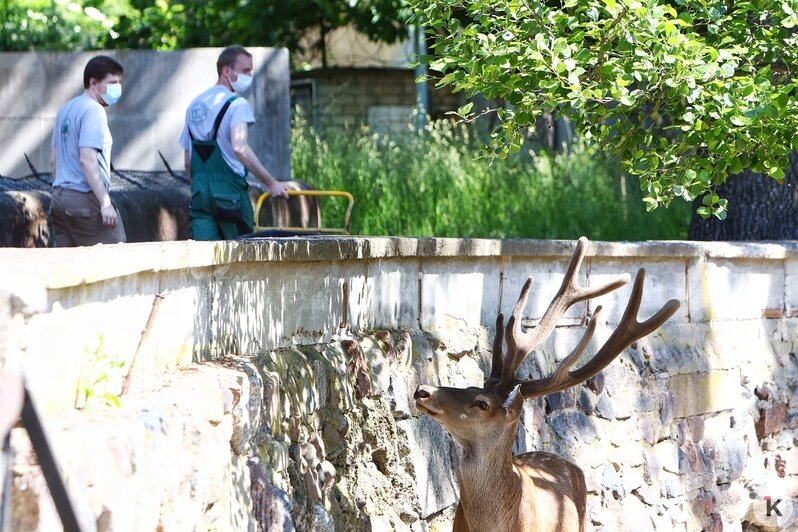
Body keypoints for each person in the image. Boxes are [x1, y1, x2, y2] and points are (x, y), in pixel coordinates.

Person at [179, 45, 288, 240]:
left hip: (199, 194)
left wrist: (201, 187)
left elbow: (188, 162)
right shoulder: (236, 104)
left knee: (204, 259)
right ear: (227, 71)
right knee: (240, 256)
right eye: (245, 70)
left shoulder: (193, 106)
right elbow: (240, 148)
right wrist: (271, 183)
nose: (250, 75)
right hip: (230, 195)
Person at [50, 55, 126, 247]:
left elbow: (54, 160)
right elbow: (87, 159)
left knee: (67, 267)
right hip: (84, 198)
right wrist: (105, 202)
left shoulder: (65, 110)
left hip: (59, 198)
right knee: (116, 256)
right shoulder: (94, 110)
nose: (117, 87)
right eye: (112, 82)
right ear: (94, 82)